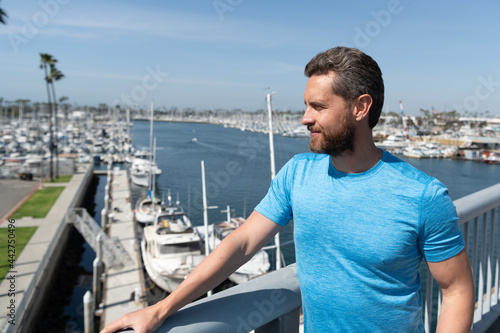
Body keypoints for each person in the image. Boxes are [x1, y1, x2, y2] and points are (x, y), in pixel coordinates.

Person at [101, 47, 474, 333]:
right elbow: (241, 243)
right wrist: (164, 307)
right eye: (305, 105)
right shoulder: (298, 173)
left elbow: (456, 288)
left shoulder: (423, 196)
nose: (305, 118)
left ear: (361, 108)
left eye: (318, 106)